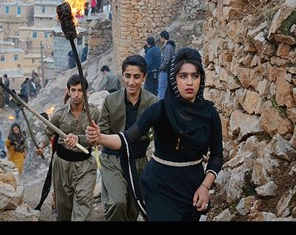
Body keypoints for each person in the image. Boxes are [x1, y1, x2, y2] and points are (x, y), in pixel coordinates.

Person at [73, 48, 223, 221]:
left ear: (201, 79)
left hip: (192, 187)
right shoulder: (158, 110)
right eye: (183, 76)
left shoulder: (210, 114)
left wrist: (205, 186)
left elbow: (217, 156)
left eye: (194, 76)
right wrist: (100, 138)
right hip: (160, 187)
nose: (189, 82)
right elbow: (126, 139)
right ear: (174, 79)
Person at [98, 55, 158, 221]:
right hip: (113, 159)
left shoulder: (153, 102)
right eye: (128, 76)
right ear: (122, 76)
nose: (131, 82)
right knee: (117, 203)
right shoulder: (110, 101)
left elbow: (158, 135)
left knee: (134, 208)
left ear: (144, 77)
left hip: (139, 161)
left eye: (137, 77)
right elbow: (100, 133)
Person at [35, 74, 100, 221]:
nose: (76, 94)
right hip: (62, 165)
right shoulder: (58, 115)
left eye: (80, 90)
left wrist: (81, 139)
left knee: (83, 203)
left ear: (85, 92)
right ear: (68, 91)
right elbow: (47, 133)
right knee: (63, 207)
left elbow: (100, 137)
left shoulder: (94, 113)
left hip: (85, 165)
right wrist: (41, 145)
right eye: (73, 90)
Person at [158, 30, 176, 100]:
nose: (160, 39)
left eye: (160, 38)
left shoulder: (168, 47)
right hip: (168, 70)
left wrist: (161, 67)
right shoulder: (170, 46)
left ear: (163, 38)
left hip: (165, 71)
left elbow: (166, 60)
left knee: (162, 88)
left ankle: (161, 103)